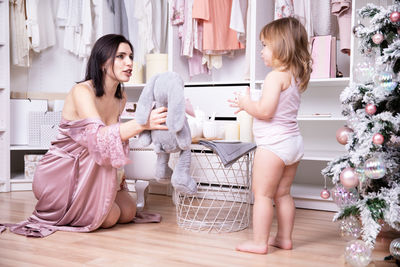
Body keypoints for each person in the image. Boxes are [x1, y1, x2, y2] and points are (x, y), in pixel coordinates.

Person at [4, 34, 168, 237]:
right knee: (109, 217)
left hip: (97, 170)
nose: (129, 63)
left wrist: (118, 176)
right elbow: (99, 138)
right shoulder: (82, 91)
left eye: (131, 56)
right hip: (65, 174)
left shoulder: (121, 97)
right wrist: (143, 122)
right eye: (121, 56)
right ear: (101, 62)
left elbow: (113, 141)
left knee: (127, 212)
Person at [229, 17, 312, 254]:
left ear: (282, 46)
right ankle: (284, 239)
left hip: (273, 146)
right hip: (293, 143)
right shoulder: (294, 76)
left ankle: (259, 243)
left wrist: (246, 103)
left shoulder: (274, 77)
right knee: (283, 193)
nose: (262, 51)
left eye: (265, 45)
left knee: (263, 194)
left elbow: (265, 112)